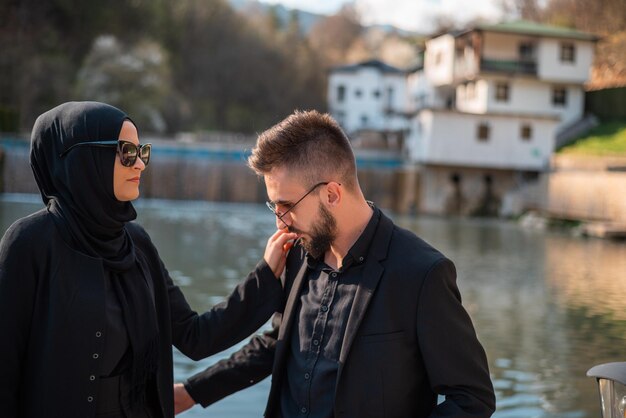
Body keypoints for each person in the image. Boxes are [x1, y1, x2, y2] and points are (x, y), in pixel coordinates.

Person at [174, 110, 496, 417]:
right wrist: (190, 393)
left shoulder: (422, 274)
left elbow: (471, 398)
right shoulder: (299, 254)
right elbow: (279, 344)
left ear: (331, 195)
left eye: (287, 206)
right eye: (274, 207)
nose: (280, 224)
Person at [0, 101, 296, 418]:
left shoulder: (135, 243)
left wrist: (265, 275)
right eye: (127, 152)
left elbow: (195, 336)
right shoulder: (28, 245)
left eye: (143, 152)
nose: (140, 165)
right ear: (82, 158)